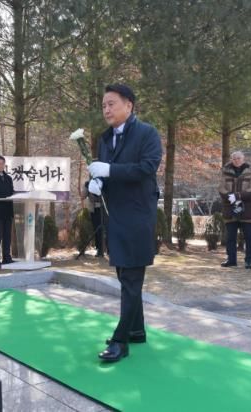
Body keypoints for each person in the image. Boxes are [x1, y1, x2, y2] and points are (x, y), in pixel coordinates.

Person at [87, 84, 162, 363]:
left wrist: (109, 170)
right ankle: (136, 330)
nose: (106, 110)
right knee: (124, 275)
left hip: (138, 216)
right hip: (116, 216)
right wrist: (94, 184)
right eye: (103, 105)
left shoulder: (147, 133)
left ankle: (121, 341)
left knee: (130, 278)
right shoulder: (106, 138)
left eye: (111, 104)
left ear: (129, 105)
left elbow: (147, 168)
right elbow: (106, 176)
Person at [218, 151, 251, 269]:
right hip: (230, 208)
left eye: (239, 158)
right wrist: (229, 197)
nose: (236, 160)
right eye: (234, 158)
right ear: (231, 160)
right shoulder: (225, 172)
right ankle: (231, 260)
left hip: (247, 209)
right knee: (230, 237)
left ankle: (249, 260)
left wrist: (238, 196)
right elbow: (221, 188)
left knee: (249, 237)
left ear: (243, 159)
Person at [83, 182, 106, 257]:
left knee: (105, 230)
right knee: (97, 230)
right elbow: (83, 196)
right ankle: (99, 249)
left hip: (104, 209)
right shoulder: (89, 183)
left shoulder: (104, 181)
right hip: (94, 210)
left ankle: (107, 249)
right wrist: (87, 187)